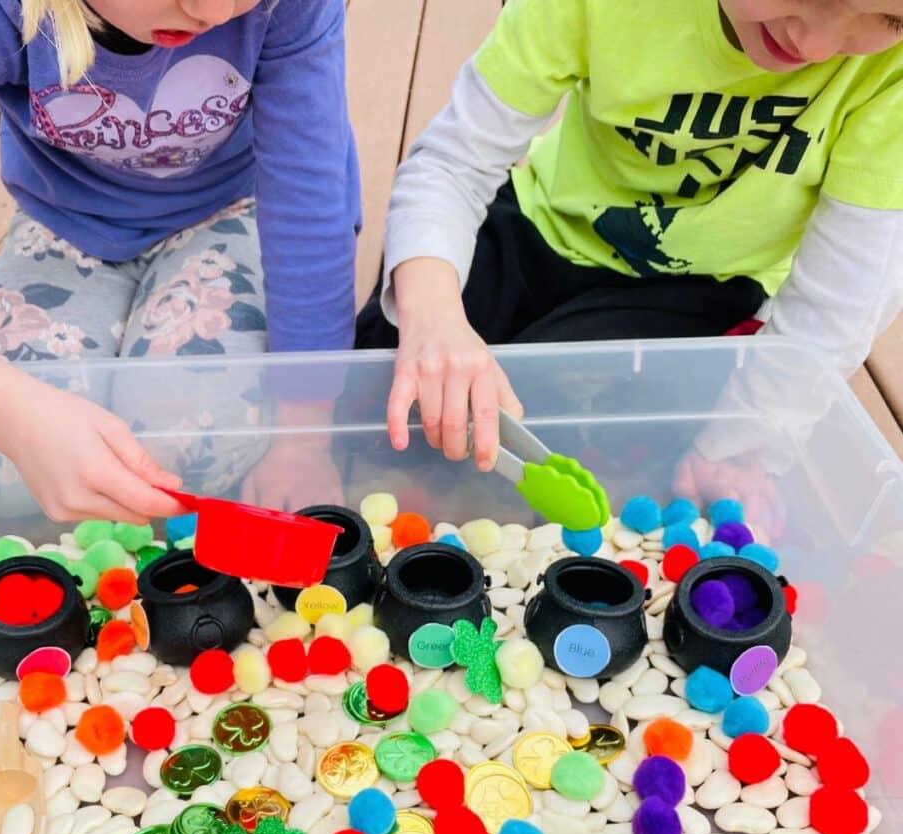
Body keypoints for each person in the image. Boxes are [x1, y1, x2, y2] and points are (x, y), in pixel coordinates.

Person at [356, 0, 903, 481]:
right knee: (383, 371)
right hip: (543, 217)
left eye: (890, 19)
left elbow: (847, 293)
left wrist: (741, 446)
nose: (818, 43)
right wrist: (434, 324)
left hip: (699, 284)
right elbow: (453, 163)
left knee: (552, 428)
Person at [0, 0, 359, 520]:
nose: (214, 11)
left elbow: (308, 202)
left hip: (231, 203)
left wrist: (304, 440)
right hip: (63, 218)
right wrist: (11, 414)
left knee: (194, 449)